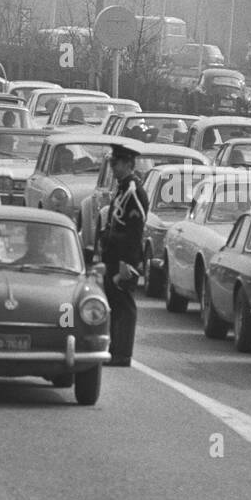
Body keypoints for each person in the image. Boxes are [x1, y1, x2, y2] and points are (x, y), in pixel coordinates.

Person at [98, 144, 148, 366]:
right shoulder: (122, 188)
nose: (113, 167)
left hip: (124, 259)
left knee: (124, 307)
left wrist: (126, 263)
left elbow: (133, 232)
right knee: (114, 305)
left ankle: (122, 354)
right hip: (113, 256)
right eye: (111, 163)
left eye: (116, 163)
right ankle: (114, 348)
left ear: (128, 164)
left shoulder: (134, 191)